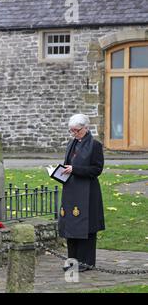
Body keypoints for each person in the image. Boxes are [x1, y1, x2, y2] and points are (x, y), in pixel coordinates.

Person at [59, 114, 105, 272]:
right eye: (71, 131)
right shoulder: (71, 143)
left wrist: (75, 169)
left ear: (86, 128)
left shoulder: (95, 145)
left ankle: (86, 262)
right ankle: (72, 261)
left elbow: (97, 169)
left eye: (76, 131)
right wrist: (59, 172)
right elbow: (68, 164)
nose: (74, 134)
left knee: (86, 227)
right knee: (71, 226)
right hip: (71, 191)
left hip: (88, 192)